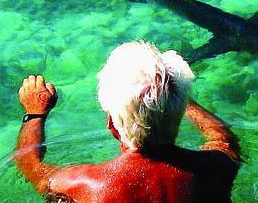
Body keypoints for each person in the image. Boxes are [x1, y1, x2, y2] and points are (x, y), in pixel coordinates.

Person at [15, 41, 241, 203]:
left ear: (112, 125)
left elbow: (30, 165)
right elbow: (222, 136)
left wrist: (35, 113)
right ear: (179, 112)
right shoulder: (217, 166)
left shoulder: (87, 186)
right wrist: (172, 95)